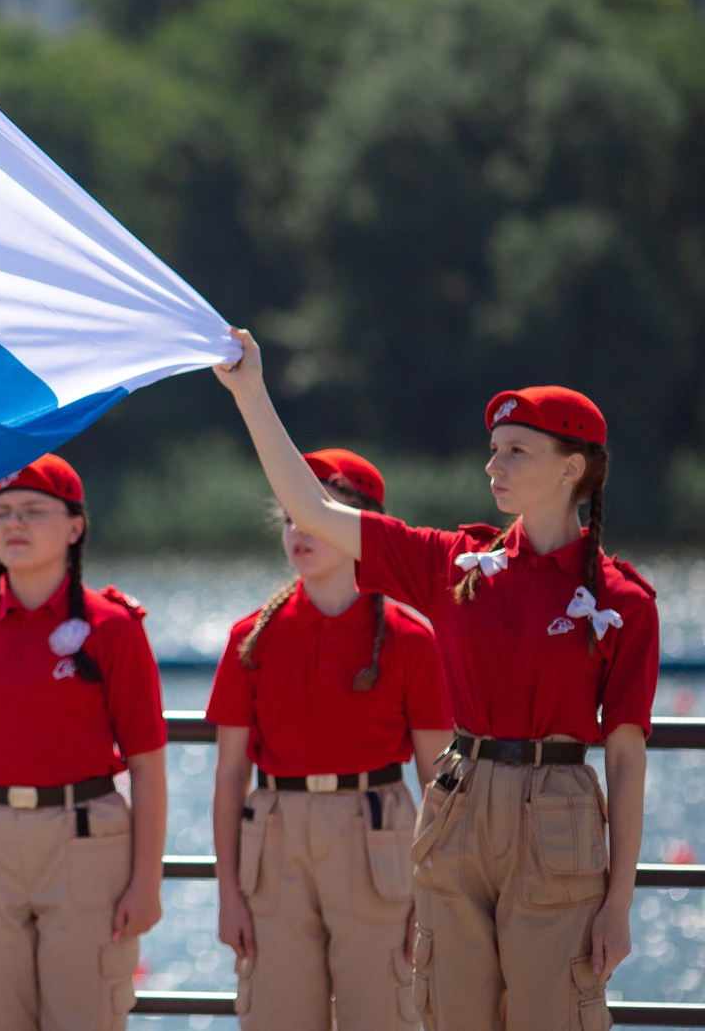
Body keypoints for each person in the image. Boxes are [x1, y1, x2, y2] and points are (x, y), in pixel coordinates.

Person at [216, 330, 659, 1031]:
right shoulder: (453, 564)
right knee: (450, 1014)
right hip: (458, 800)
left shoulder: (622, 601)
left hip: (560, 813)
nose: (493, 464)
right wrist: (250, 391)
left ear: (574, 467)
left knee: (551, 1016)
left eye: (516, 450)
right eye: (493, 448)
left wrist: (618, 904)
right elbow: (315, 512)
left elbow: (627, 758)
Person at [0, 454, 168, 1031]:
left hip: (85, 845)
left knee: (84, 1015)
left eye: (33, 510)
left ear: (75, 526)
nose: (14, 524)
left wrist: (145, 881)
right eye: (1, 513)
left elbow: (149, 764)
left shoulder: (114, 628)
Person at [205, 449, 453, 1031]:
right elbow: (228, 777)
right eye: (291, 516)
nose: (299, 530)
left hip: (378, 839)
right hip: (274, 840)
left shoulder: (411, 638)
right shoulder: (251, 638)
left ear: (362, 527)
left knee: (383, 1014)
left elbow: (438, 780)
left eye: (319, 514)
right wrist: (227, 894)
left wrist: (434, 899)